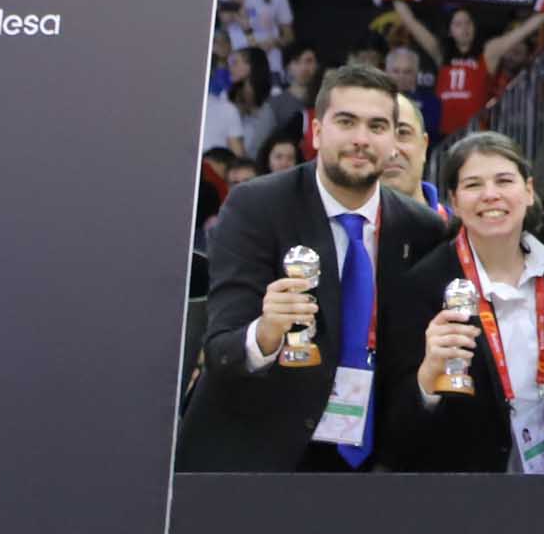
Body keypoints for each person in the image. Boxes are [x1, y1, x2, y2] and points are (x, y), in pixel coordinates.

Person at [177, 66, 452, 472]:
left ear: (395, 141)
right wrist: (266, 333)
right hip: (257, 462)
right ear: (318, 131)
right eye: (346, 122)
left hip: (367, 464)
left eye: (377, 126)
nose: (361, 138)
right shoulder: (256, 206)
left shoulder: (423, 229)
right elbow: (221, 350)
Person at [384, 131, 544, 474]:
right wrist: (427, 377)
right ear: (455, 200)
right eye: (473, 185)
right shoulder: (422, 287)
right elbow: (397, 428)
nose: (490, 195)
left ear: (528, 190)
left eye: (504, 180)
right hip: (470, 492)